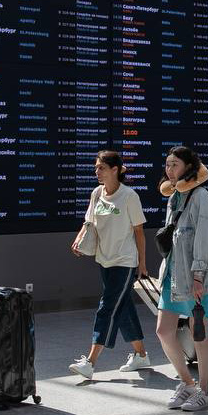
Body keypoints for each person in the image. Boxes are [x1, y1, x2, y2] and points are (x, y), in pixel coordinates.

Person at [153, 146, 208, 412]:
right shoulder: (174, 196)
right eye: (167, 164)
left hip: (197, 275)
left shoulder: (200, 196)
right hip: (173, 274)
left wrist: (198, 276)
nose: (169, 169)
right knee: (163, 331)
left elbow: (204, 239)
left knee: (199, 333)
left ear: (188, 167)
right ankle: (187, 383)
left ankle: (204, 392)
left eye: (174, 164)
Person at [69, 150, 151, 380]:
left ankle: (90, 362)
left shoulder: (129, 196)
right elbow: (88, 221)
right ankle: (141, 355)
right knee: (122, 307)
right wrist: (79, 238)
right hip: (104, 259)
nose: (97, 172)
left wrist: (142, 263)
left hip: (124, 262)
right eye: (96, 167)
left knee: (107, 307)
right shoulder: (97, 193)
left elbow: (139, 231)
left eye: (101, 168)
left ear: (115, 170)